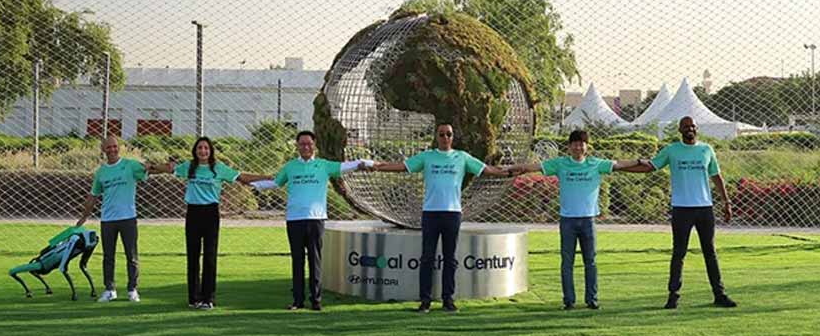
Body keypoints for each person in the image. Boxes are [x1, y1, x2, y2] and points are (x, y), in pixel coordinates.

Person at [368, 122, 514, 314]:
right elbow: (402, 167)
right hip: (430, 213)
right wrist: (376, 166)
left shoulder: (461, 157)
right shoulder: (427, 157)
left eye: (449, 134)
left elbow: (488, 170)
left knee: (449, 259)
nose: (445, 138)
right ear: (437, 137)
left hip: (452, 214)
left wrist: (513, 170)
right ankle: (425, 301)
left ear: (453, 137)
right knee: (427, 258)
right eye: (442, 134)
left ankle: (448, 300)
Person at [508, 130, 652, 310]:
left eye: (581, 143)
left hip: (588, 221)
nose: (578, 147)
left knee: (590, 261)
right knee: (566, 262)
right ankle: (569, 301)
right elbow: (536, 167)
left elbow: (619, 164)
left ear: (587, 146)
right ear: (569, 147)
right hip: (567, 221)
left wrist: (639, 162)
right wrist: (515, 168)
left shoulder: (595, 164)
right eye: (575, 143)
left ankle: (592, 299)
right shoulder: (560, 164)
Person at [248, 130, 372, 311]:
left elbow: (344, 166)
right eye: (302, 144)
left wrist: (362, 163)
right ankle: (298, 301)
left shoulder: (323, 165)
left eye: (309, 143)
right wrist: (253, 184)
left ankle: (316, 300)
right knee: (297, 260)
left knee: (315, 260)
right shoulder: (290, 167)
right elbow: (275, 182)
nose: (306, 147)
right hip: (294, 219)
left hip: (316, 219)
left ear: (314, 145)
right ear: (297, 146)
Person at [155, 136, 270, 310]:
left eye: (206, 148)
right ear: (195, 151)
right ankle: (194, 298)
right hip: (193, 213)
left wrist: (267, 177)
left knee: (209, 256)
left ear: (210, 151)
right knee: (193, 256)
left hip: (211, 214)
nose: (203, 151)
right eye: (200, 148)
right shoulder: (188, 167)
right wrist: (149, 168)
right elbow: (169, 169)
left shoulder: (218, 168)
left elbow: (242, 177)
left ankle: (208, 298)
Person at [641, 116, 737, 310]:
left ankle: (719, 294)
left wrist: (726, 202)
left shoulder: (706, 150)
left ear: (697, 129)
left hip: (704, 208)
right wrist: (621, 167)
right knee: (679, 253)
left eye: (692, 126)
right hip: (681, 208)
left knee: (710, 251)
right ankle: (673, 296)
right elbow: (651, 166)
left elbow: (716, 176)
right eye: (686, 126)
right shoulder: (671, 150)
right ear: (680, 130)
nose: (690, 129)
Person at [74, 135, 170, 303]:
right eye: (108, 147)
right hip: (108, 220)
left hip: (128, 218)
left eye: (115, 146)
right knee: (108, 256)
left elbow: (151, 169)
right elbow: (93, 196)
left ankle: (132, 289)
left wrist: (166, 167)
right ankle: (110, 289)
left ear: (119, 147)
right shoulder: (101, 172)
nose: (112, 149)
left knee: (131, 255)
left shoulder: (130, 165)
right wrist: (83, 217)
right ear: (103, 150)